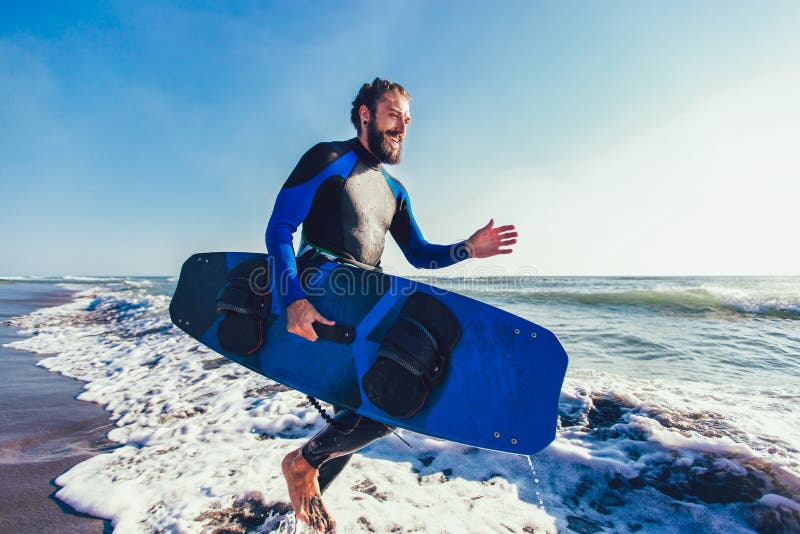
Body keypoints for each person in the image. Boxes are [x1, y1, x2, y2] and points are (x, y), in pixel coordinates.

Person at [265, 78, 517, 532]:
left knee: (377, 398)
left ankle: (303, 486)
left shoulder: (395, 192)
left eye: (408, 119)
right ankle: (304, 467)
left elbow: (419, 253)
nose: (403, 126)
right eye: (394, 115)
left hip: (366, 292)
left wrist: (466, 249)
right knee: (412, 365)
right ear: (365, 115)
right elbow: (279, 227)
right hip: (322, 278)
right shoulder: (328, 158)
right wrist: (294, 300)